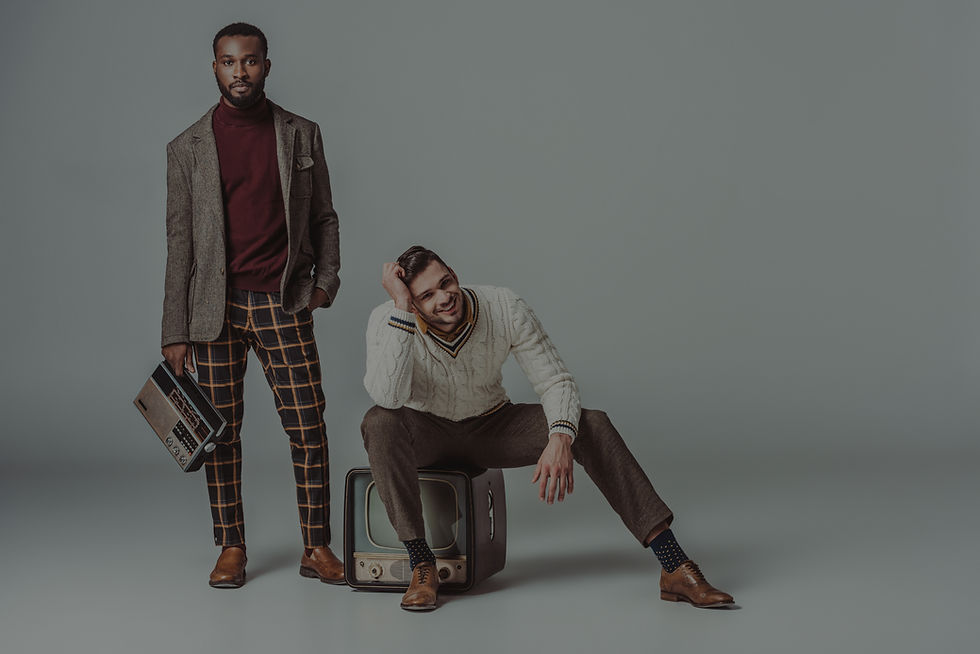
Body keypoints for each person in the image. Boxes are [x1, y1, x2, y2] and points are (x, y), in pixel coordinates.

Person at [361, 246, 735, 611]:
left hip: (491, 425)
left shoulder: (503, 305)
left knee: (592, 424)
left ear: (454, 275)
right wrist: (401, 310)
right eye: (427, 295)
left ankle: (674, 565)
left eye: (446, 282)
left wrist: (560, 437)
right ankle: (422, 564)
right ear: (412, 302)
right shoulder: (389, 318)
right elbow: (388, 397)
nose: (444, 298)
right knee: (378, 421)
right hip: (427, 431)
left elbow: (556, 380)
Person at [161, 22, 344, 588]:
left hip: (283, 301)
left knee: (308, 424)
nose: (239, 72)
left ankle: (316, 545)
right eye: (228, 61)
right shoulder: (186, 148)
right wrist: (174, 330)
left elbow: (325, 217)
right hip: (212, 311)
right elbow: (179, 244)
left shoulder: (301, 134)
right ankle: (232, 546)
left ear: (267, 64)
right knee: (221, 432)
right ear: (214, 67)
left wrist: (324, 283)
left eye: (249, 60)